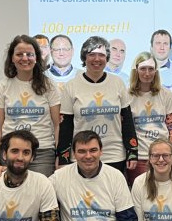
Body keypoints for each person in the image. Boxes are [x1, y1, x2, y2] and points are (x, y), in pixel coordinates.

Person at [57, 36, 137, 173]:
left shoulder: (118, 83)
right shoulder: (71, 86)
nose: (97, 59)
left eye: (101, 55)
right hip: (82, 155)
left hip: (114, 155)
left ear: (107, 58)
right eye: (92, 54)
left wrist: (132, 152)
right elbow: (66, 127)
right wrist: (63, 159)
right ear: (84, 57)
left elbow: (127, 120)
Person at [0, 35, 60, 177]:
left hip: (42, 153)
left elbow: (57, 124)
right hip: (11, 152)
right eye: (19, 54)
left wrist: (60, 156)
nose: (25, 58)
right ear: (12, 58)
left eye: (29, 54)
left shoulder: (49, 85)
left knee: (40, 195)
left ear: (37, 57)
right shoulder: (3, 86)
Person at [127, 51, 172, 184]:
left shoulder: (165, 94)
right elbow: (125, 130)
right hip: (139, 158)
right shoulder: (127, 96)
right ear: (136, 71)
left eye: (151, 69)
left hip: (164, 156)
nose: (147, 73)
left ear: (156, 71)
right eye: (143, 69)